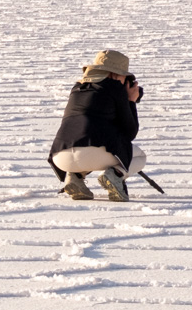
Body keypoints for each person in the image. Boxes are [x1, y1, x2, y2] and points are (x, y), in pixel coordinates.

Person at [47, 49, 145, 202]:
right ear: (116, 74)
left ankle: (75, 177)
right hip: (93, 153)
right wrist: (131, 101)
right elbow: (129, 133)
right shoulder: (115, 88)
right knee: (139, 156)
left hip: (60, 157)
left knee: (90, 143)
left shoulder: (77, 89)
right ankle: (115, 175)